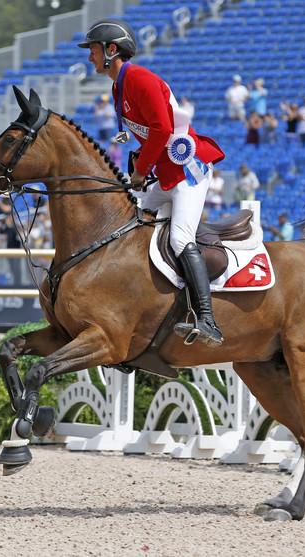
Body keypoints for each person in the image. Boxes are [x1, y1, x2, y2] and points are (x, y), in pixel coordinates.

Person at [79, 17, 226, 347]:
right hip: (166, 174)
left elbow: (161, 129)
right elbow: (149, 136)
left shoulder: (140, 79)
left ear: (110, 50)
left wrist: (141, 171)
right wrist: (139, 164)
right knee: (128, 222)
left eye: (92, 50)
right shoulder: (120, 86)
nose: (89, 57)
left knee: (179, 238)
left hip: (189, 170)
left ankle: (207, 320)